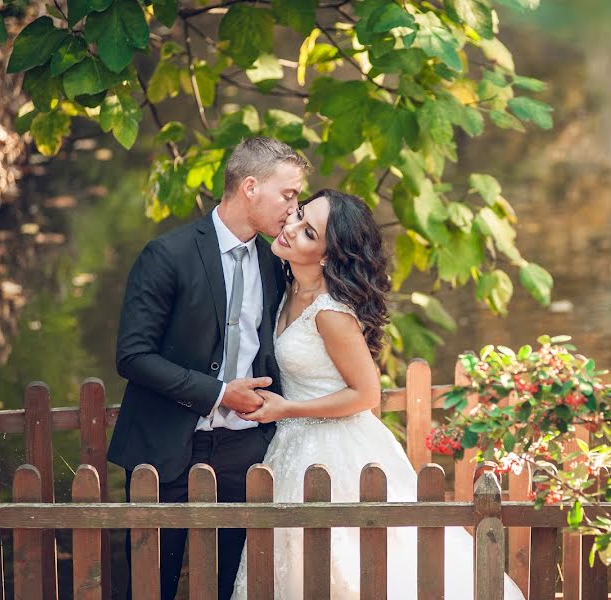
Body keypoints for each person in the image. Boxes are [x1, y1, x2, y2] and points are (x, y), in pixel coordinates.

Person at [229, 189, 525, 599]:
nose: (291, 228)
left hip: (337, 448)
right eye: (298, 215)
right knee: (298, 562)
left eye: (308, 232)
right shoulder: (288, 288)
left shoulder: (330, 312)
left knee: (359, 563)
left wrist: (287, 408)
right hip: (294, 446)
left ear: (328, 255)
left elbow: (367, 394)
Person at [107, 137, 310, 599]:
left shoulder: (277, 263)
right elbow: (133, 355)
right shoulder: (166, 255)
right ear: (252, 187)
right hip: (164, 446)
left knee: (232, 586)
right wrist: (219, 394)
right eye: (289, 194)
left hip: (244, 450)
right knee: (149, 586)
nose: (294, 209)